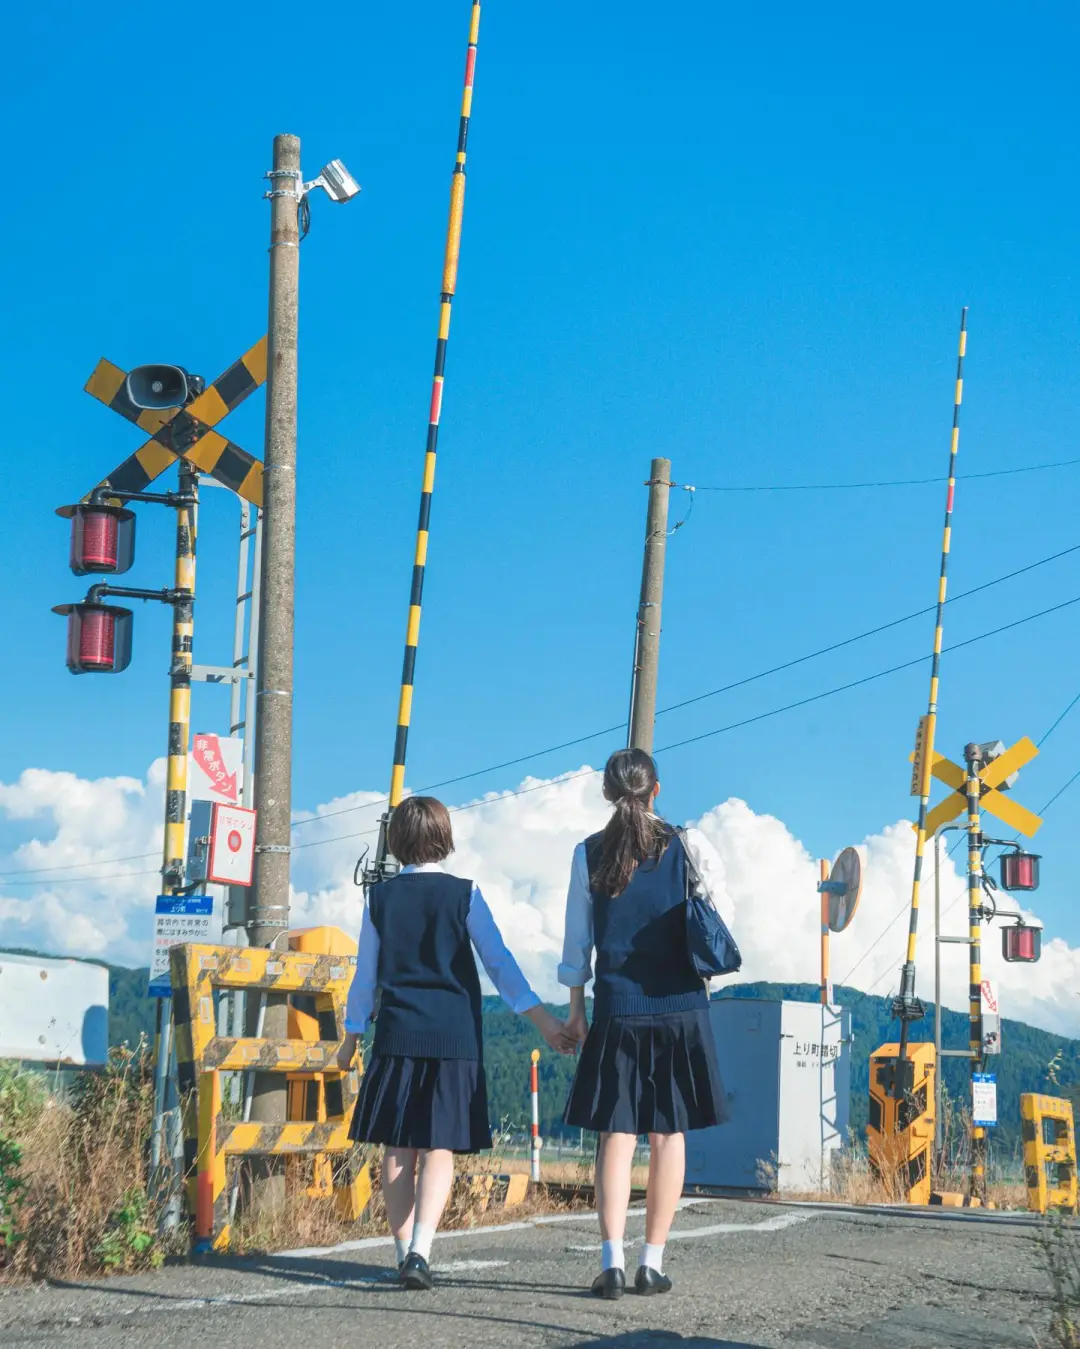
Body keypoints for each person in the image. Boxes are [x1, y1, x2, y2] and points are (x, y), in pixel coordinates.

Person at [338, 794, 570, 1290]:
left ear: (396, 841)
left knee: (398, 1146)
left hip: (397, 1033)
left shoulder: (378, 899)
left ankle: (402, 1252)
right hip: (453, 1035)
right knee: (437, 1144)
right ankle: (421, 1251)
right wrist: (542, 1020)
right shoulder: (466, 894)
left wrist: (351, 1036)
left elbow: (365, 978)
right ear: (444, 838)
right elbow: (498, 962)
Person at [559, 748, 731, 1299]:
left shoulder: (588, 853)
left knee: (617, 1133)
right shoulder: (689, 845)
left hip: (617, 1007)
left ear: (608, 793)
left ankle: (610, 1263)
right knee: (667, 1134)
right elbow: (720, 922)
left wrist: (576, 1010)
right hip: (680, 1005)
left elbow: (577, 944)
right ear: (656, 789)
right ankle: (651, 1263)